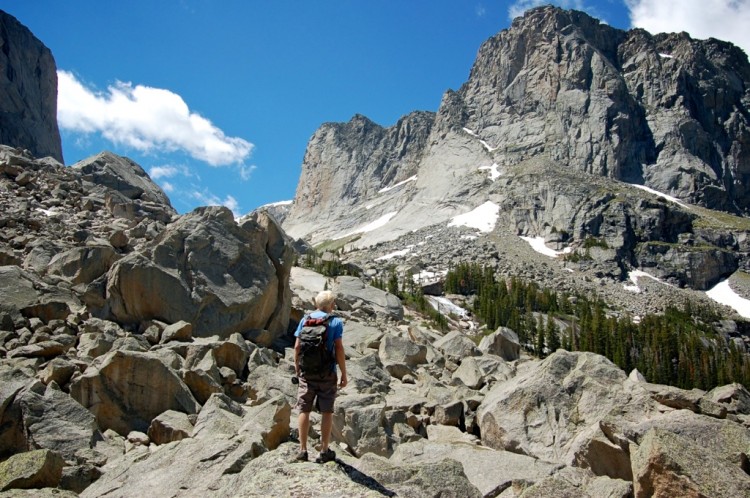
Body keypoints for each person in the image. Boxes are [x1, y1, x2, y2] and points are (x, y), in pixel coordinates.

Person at [294, 290, 347, 463]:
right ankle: (324, 450)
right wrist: (343, 373)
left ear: (317, 304)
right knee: (326, 411)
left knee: (304, 409)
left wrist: (297, 367)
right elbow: (338, 348)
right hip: (327, 373)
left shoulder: (305, 320)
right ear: (331, 305)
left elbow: (297, 347)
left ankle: (302, 450)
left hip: (307, 373)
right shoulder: (336, 322)